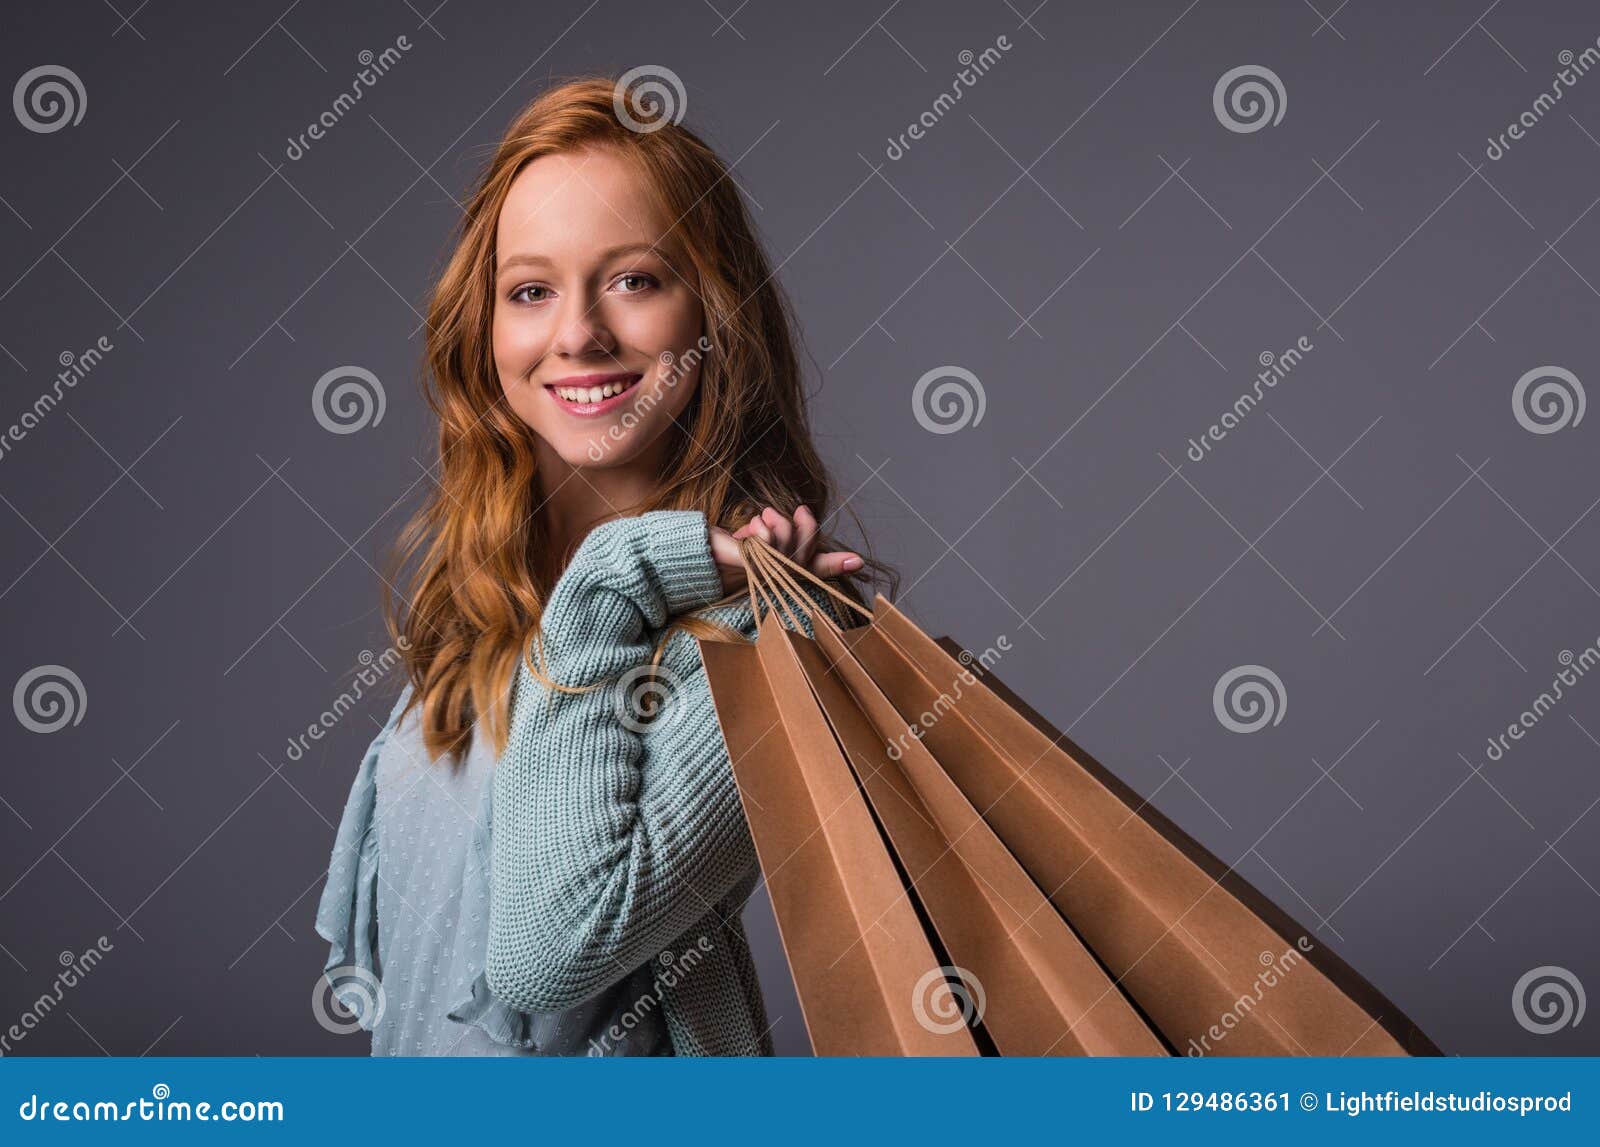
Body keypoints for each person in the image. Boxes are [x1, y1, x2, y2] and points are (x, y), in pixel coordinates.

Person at [315, 75, 888, 1056]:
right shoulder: (486, 611)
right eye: (531, 291)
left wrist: (615, 574)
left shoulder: (770, 638)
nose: (577, 334)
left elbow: (549, 949)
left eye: (633, 279)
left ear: (713, 315)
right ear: (485, 330)